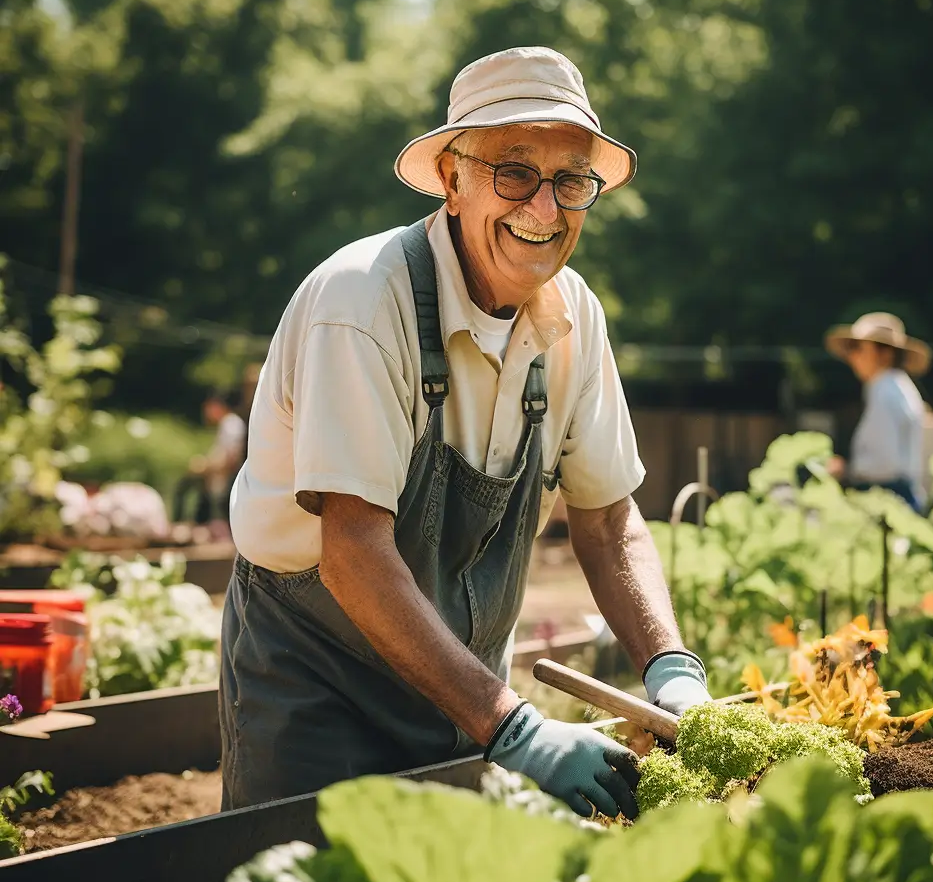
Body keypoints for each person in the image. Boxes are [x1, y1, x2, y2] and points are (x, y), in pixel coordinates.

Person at [222, 46, 710, 819]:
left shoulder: (575, 316)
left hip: (460, 684)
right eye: (514, 172)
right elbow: (353, 552)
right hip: (318, 680)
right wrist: (516, 727)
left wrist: (673, 669)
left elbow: (611, 525)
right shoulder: (364, 301)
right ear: (453, 180)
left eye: (572, 180)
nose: (545, 210)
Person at [824, 312, 931, 511]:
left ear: (885, 353)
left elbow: (884, 464)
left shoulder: (885, 391)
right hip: (901, 497)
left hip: (889, 501)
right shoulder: (895, 386)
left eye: (858, 347)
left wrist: (847, 470)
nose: (852, 356)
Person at [173, 392, 247, 528]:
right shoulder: (227, 424)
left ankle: (181, 523)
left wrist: (205, 467)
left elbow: (229, 459)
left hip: (227, 476)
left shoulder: (231, 424)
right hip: (218, 474)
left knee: (185, 486)